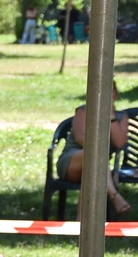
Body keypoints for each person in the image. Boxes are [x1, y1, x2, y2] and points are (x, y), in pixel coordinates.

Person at [56, 81, 131, 215]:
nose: (108, 95)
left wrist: (111, 117)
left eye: (111, 91)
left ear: (116, 95)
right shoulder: (84, 111)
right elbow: (81, 139)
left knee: (91, 173)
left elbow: (120, 143)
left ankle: (82, 223)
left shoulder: (121, 117)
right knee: (94, 155)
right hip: (73, 161)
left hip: (97, 166)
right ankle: (114, 195)